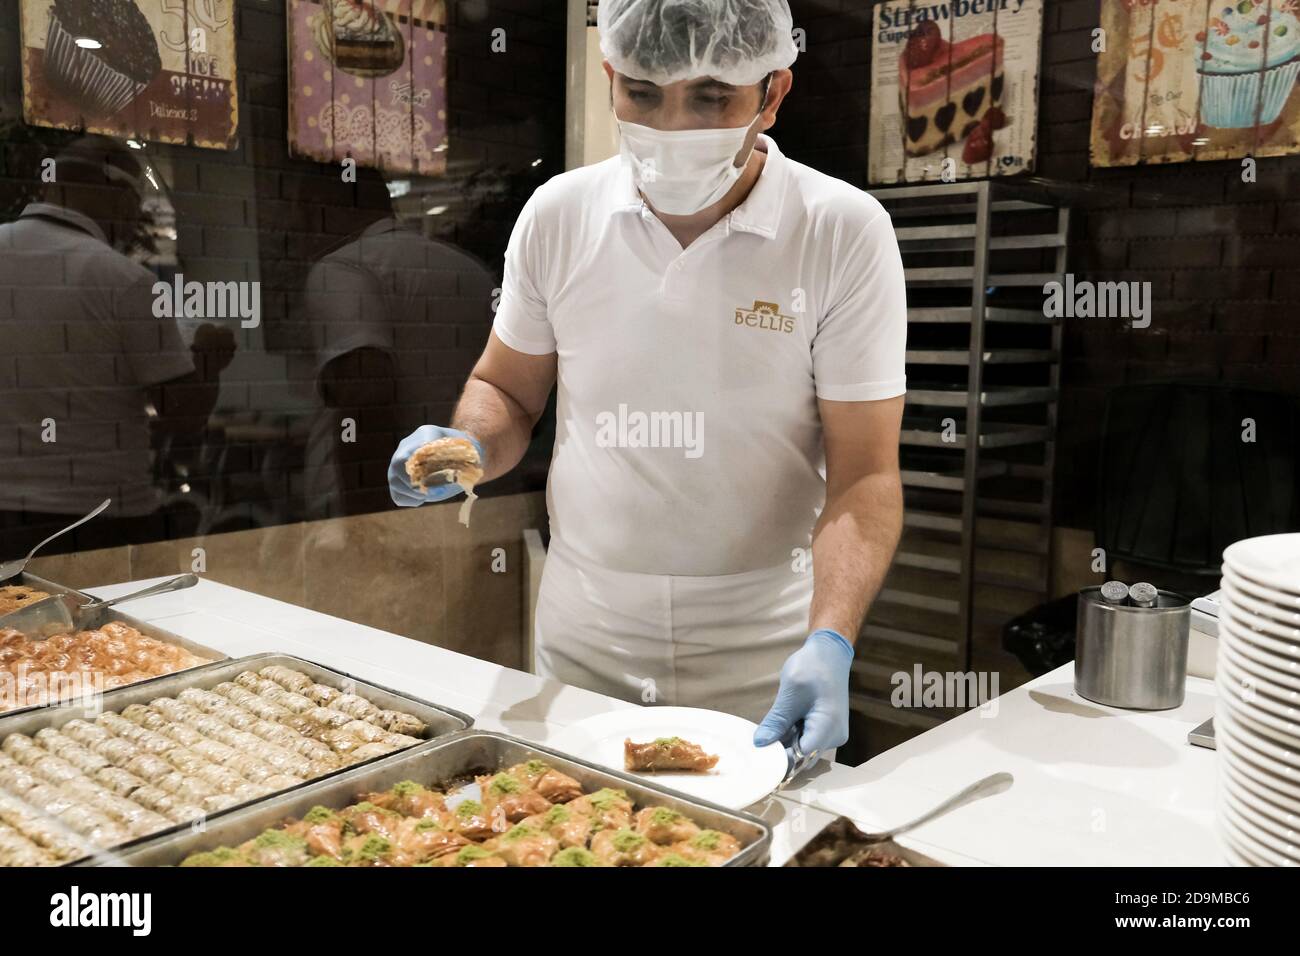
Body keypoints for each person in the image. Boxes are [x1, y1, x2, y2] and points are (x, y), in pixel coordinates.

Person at [387, 0, 906, 768]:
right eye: (642, 92)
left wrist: (830, 636)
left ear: (773, 92)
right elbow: (511, 390)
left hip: (762, 643)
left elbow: (864, 472)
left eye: (710, 96)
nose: (673, 125)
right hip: (588, 631)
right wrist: (466, 446)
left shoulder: (839, 230)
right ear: (608, 77)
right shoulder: (558, 216)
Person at [0, 135, 229, 556]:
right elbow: (182, 417)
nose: (133, 219)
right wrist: (209, 359)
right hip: (100, 518)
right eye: (133, 204)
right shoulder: (124, 282)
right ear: (116, 197)